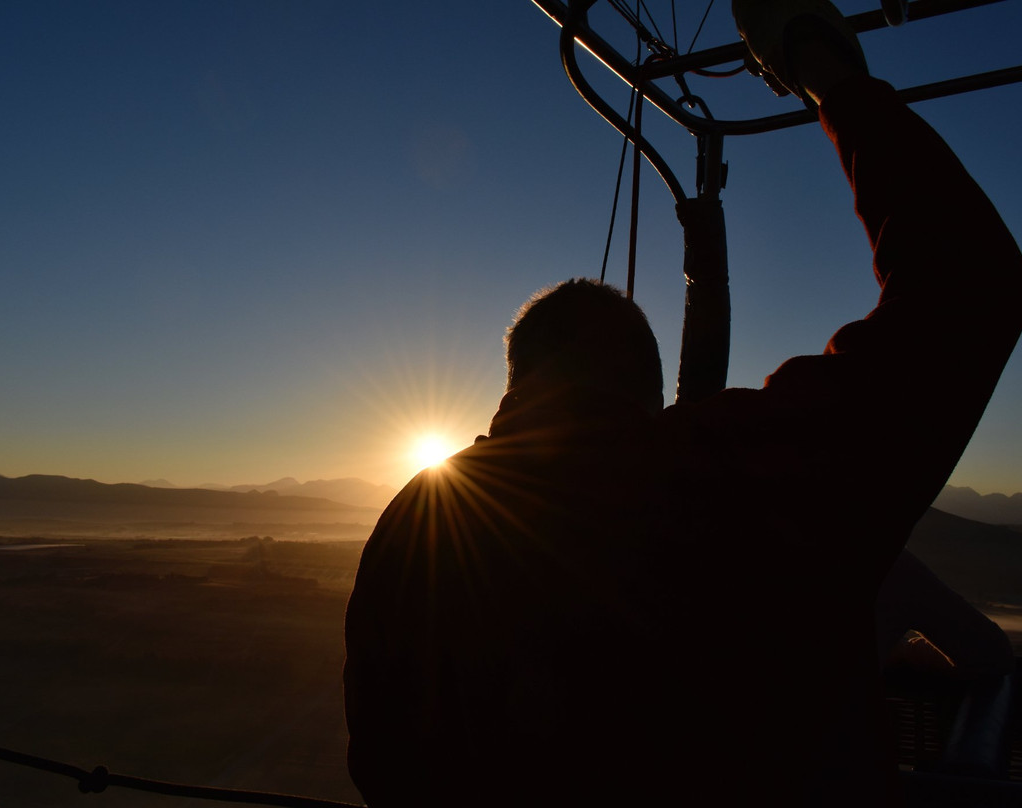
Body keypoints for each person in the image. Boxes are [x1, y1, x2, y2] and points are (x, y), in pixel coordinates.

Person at [343, 1, 1022, 805]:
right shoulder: (737, 476)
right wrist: (825, 68)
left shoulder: (415, 524)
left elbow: (382, 763)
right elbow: (967, 284)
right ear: (642, 385)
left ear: (515, 383)